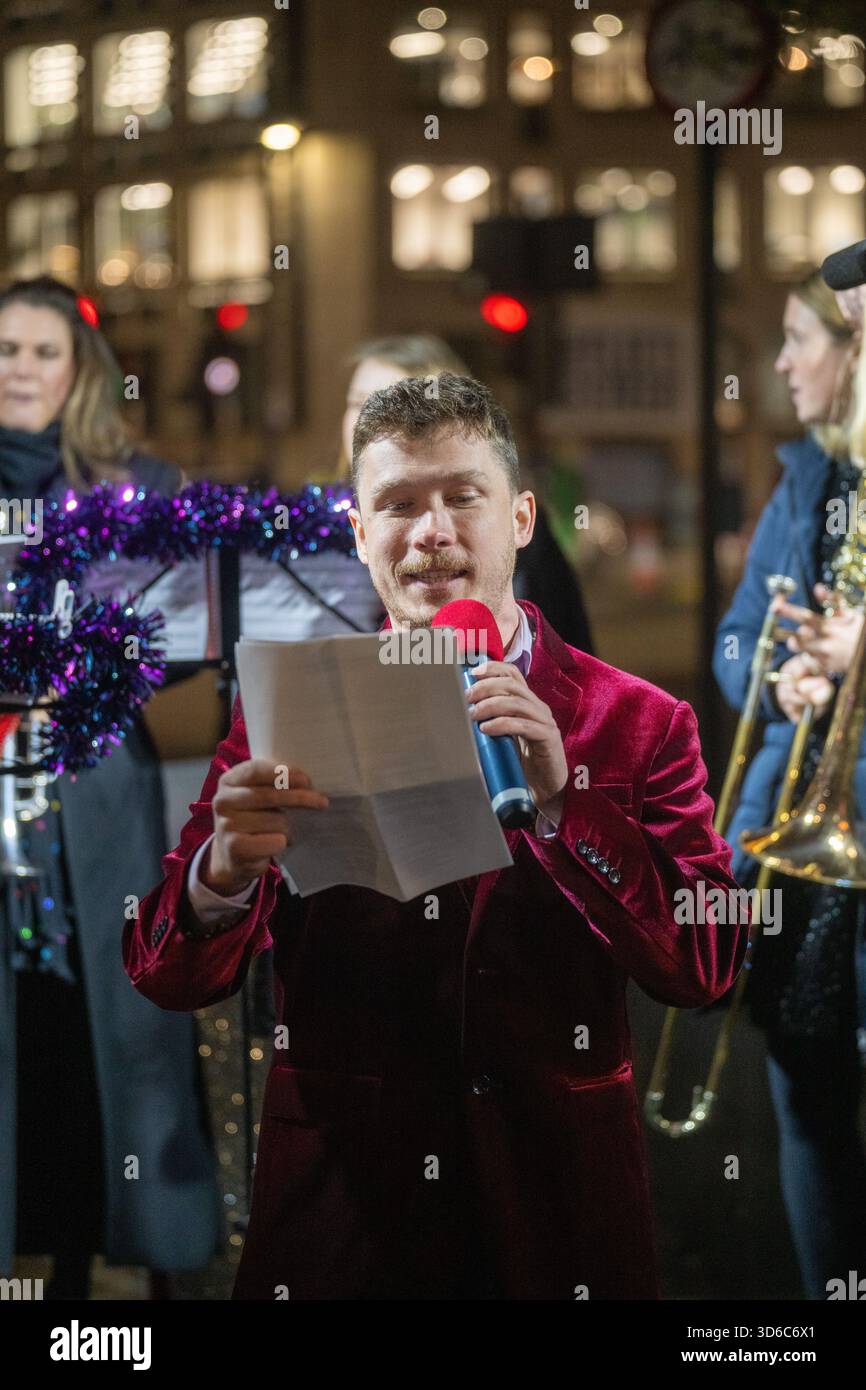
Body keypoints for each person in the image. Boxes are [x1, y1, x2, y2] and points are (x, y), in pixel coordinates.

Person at [125, 372, 745, 1300]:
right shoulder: (285, 711)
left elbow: (707, 962)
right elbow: (162, 972)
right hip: (343, 1220)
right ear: (358, 531)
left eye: (464, 497)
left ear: (523, 518)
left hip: (554, 1216)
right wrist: (221, 876)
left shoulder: (639, 721)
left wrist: (566, 805)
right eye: (399, 505)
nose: (433, 532)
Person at [0, 276, 220, 1298]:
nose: (21, 369)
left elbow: (186, 638)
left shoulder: (135, 484)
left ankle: (140, 1244)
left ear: (79, 368)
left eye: (43, 351)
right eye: (5, 350)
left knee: (120, 1025)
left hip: (94, 792)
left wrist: (98, 654)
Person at [713, 271, 866, 1300]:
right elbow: (731, 639)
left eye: (795, 339)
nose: (777, 363)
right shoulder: (805, 478)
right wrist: (780, 671)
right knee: (805, 1101)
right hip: (803, 839)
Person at [337, 335, 595, 654]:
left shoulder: (516, 531)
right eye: (358, 403)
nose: (371, 420)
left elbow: (569, 647)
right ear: (359, 531)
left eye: (461, 499)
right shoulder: (303, 526)